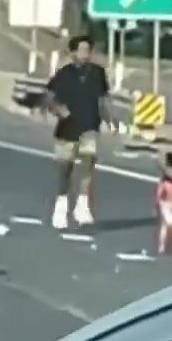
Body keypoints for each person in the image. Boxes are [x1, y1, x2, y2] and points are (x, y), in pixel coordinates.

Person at [46, 34, 114, 229]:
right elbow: (50, 97)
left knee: (88, 163)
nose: (85, 54)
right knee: (65, 168)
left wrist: (110, 120)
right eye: (82, 50)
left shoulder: (98, 73)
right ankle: (61, 206)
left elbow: (104, 98)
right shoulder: (63, 74)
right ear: (73, 52)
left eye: (88, 50)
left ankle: (82, 206)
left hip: (90, 125)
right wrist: (58, 109)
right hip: (67, 128)